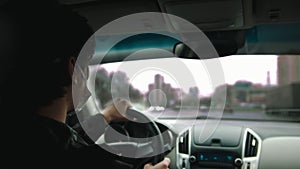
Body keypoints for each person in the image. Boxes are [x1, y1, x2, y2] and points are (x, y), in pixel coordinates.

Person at [0, 0, 170, 168]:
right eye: (86, 63)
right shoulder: (87, 161)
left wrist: (106, 116)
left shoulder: (16, 138)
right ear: (73, 69)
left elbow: (62, 139)